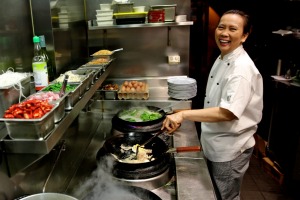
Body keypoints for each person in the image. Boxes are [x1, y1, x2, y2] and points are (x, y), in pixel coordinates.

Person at [161, 9, 263, 200]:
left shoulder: (241, 69)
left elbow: (228, 113)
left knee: (225, 196)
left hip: (230, 149)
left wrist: (183, 115)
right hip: (215, 141)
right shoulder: (223, 55)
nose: (224, 33)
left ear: (244, 36)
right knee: (215, 192)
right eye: (221, 27)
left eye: (233, 29)